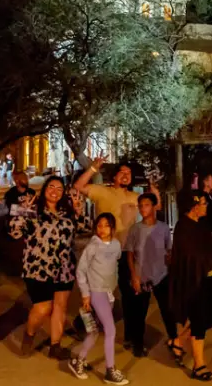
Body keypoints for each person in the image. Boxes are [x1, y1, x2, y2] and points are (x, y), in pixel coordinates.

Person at [10, 175, 91, 359]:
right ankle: (29, 334)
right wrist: (22, 211)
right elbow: (14, 232)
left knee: (60, 307)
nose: (55, 191)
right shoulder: (33, 210)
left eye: (59, 189)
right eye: (51, 187)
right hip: (38, 268)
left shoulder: (67, 212)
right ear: (45, 189)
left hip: (64, 268)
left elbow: (85, 229)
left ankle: (55, 345)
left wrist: (79, 212)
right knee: (44, 308)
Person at [74, 157, 144, 350]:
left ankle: (131, 337)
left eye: (129, 173)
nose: (125, 176)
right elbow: (79, 186)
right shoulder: (102, 191)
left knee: (129, 295)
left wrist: (154, 188)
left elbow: (155, 208)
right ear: (114, 176)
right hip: (104, 254)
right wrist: (93, 168)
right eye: (122, 172)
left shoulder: (134, 197)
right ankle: (81, 324)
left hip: (126, 253)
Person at [168, 190, 212, 381]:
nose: (205, 206)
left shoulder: (201, 225)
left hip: (207, 279)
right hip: (193, 282)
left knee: (206, 319)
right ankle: (199, 366)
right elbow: (190, 258)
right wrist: (206, 262)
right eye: (202, 203)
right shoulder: (184, 227)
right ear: (193, 206)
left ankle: (177, 342)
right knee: (199, 322)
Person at [69, 212, 129, 385]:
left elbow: (115, 264)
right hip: (96, 293)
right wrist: (86, 294)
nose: (102, 229)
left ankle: (78, 360)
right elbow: (81, 271)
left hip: (109, 293)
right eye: (99, 225)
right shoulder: (92, 247)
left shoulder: (116, 245)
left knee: (93, 331)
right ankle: (110, 370)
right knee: (110, 330)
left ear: (112, 228)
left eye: (106, 225)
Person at [124, 193, 177, 362]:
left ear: (154, 207)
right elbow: (130, 254)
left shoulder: (163, 228)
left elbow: (169, 250)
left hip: (162, 276)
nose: (142, 208)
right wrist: (134, 276)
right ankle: (138, 345)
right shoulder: (135, 229)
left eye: (146, 205)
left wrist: (171, 261)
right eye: (140, 205)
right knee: (139, 313)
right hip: (142, 277)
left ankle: (175, 340)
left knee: (168, 310)